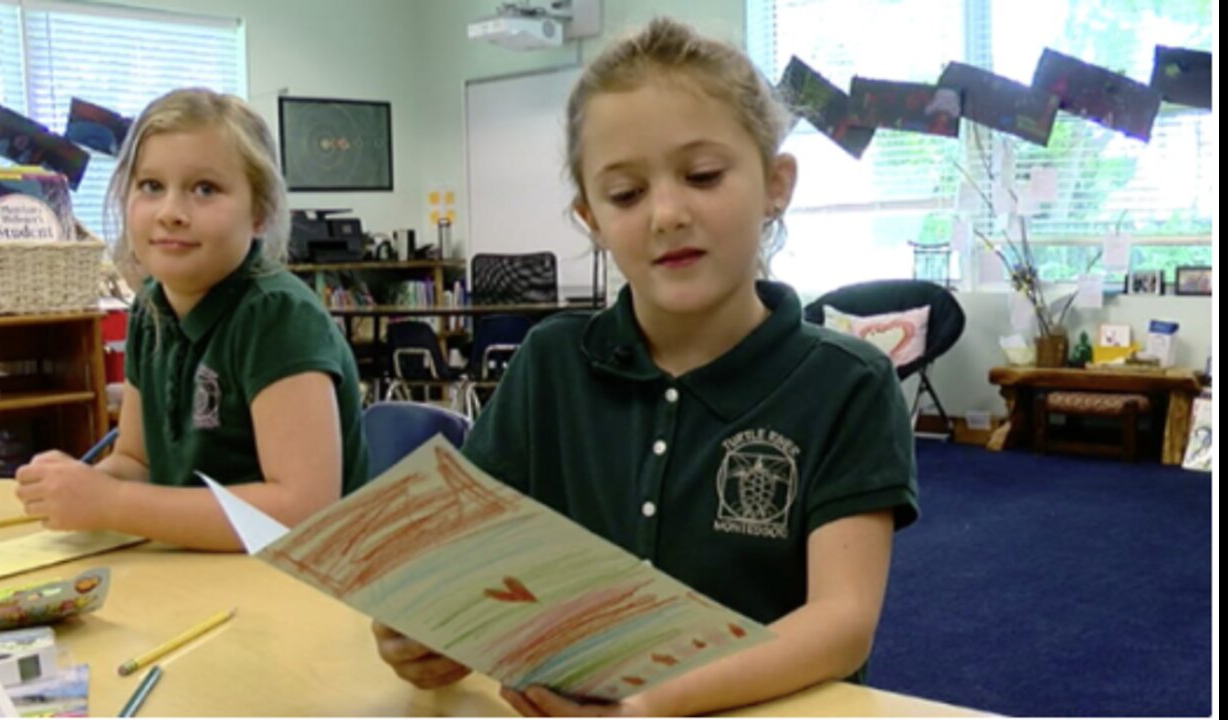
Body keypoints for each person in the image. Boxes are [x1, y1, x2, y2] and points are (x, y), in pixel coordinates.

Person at [374, 17, 918, 717]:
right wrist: (429, 630)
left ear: (776, 183)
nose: (665, 213)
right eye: (626, 194)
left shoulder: (848, 383)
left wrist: (652, 703)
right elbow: (468, 572)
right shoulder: (550, 365)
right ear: (591, 218)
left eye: (702, 176)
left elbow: (840, 624)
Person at [14, 89, 370, 552]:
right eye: (151, 186)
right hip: (199, 575)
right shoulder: (151, 309)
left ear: (259, 212)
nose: (170, 213)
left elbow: (300, 511)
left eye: (205, 189)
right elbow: (137, 461)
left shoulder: (279, 317)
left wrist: (113, 504)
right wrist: (80, 490)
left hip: (307, 588)